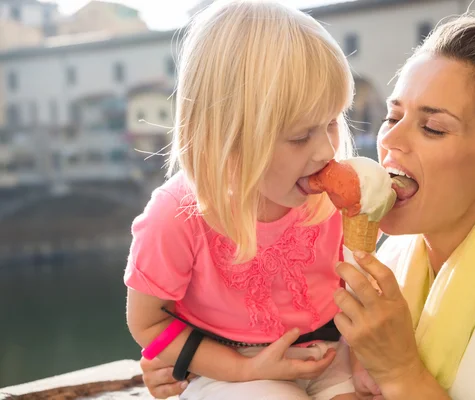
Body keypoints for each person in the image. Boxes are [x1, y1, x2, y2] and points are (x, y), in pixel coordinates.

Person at [140, 12, 475, 400]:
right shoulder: (387, 265)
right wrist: (204, 363)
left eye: (433, 128)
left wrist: (402, 372)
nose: (390, 142)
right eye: (392, 116)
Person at [124, 1, 359, 399]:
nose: (325, 152)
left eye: (333, 122)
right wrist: (244, 369)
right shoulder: (176, 216)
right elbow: (148, 325)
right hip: (228, 371)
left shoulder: (332, 198)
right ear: (228, 138)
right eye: (301, 136)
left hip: (332, 357)